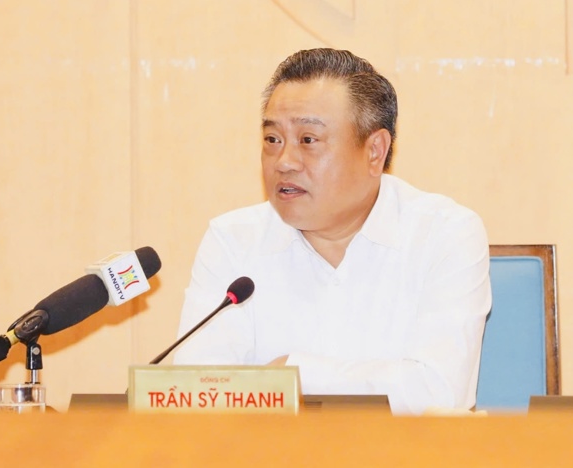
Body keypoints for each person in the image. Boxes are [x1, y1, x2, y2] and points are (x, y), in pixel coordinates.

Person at [173, 48, 491, 414]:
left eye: (308, 140)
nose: (284, 162)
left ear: (375, 151)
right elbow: (197, 392)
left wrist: (296, 374)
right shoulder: (232, 240)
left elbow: (440, 393)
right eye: (273, 140)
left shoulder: (445, 234)